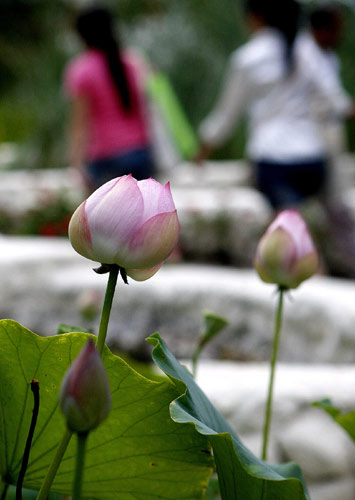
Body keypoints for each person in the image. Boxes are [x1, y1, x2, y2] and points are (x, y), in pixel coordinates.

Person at [196, 0, 355, 210]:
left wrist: (201, 154)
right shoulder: (311, 52)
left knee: (285, 227)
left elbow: (225, 118)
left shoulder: (248, 58)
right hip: (313, 163)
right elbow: (338, 102)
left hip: (274, 164)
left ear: (255, 17)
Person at [64, 5, 154, 192]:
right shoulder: (133, 62)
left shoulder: (82, 69)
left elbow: (80, 123)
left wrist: (74, 162)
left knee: (106, 221)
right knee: (140, 219)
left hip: (105, 157)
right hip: (139, 151)